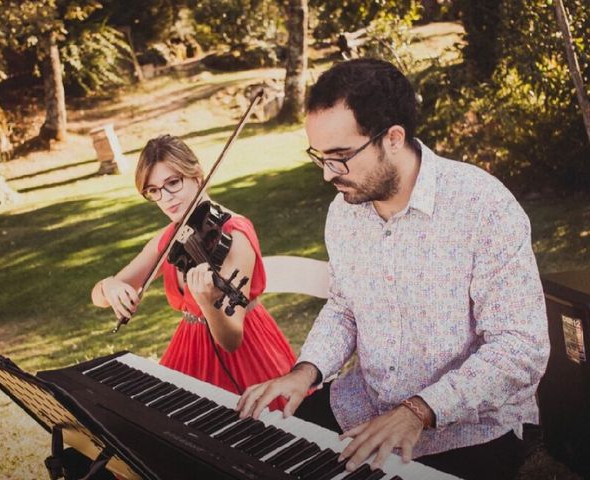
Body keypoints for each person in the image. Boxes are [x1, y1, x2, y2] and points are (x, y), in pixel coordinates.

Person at [237, 59, 550, 480]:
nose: (328, 173)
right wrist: (304, 372)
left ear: (394, 138)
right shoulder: (344, 213)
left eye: (341, 156)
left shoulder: (484, 207)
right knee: (252, 456)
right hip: (361, 404)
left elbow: (521, 347)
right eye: (320, 157)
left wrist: (418, 411)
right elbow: (345, 307)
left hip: (471, 428)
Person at [92, 134, 296, 410]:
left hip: (244, 357)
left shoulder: (233, 236)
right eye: (153, 191)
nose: (165, 198)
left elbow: (231, 340)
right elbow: (98, 297)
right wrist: (110, 287)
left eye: (173, 183)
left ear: (197, 175)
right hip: (189, 349)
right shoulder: (172, 236)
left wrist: (208, 303)